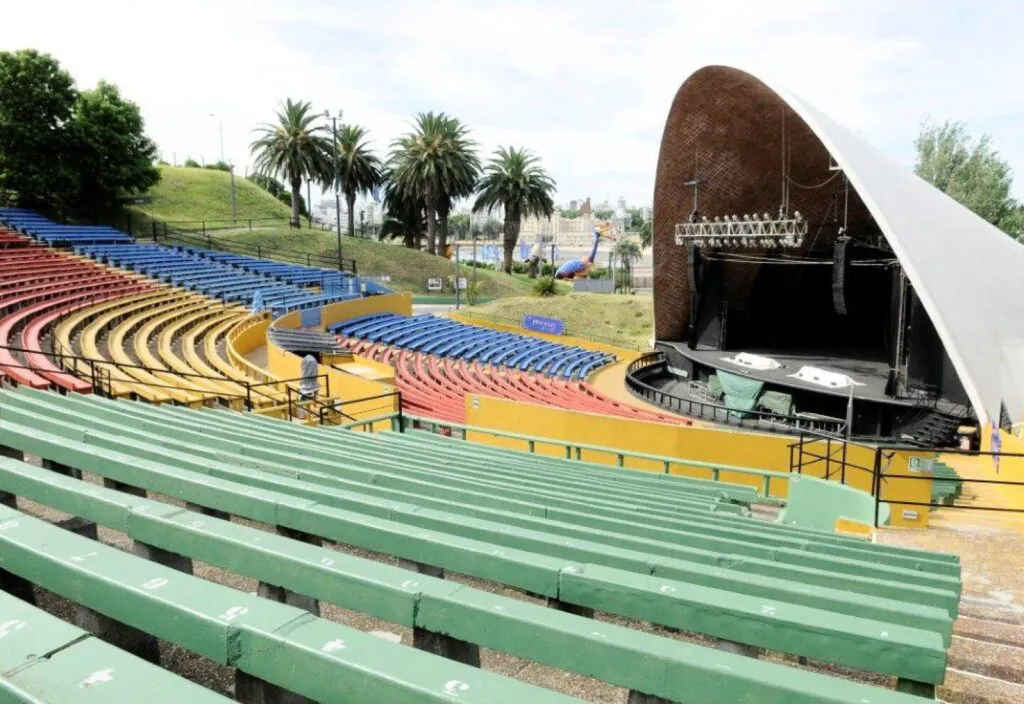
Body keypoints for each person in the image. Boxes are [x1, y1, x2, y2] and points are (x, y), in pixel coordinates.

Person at [297, 354, 320, 419]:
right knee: (308, 400)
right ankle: (304, 415)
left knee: (306, 401)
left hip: (308, 385)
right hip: (309, 385)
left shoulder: (308, 361)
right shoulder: (311, 361)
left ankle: (304, 415)